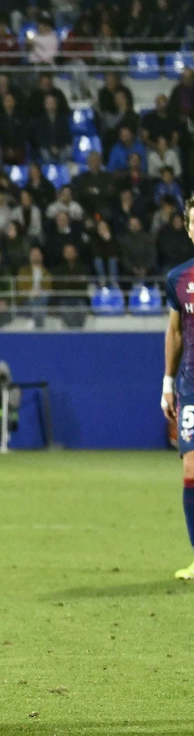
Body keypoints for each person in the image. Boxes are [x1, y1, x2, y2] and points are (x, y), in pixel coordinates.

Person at [160, 196, 194, 580]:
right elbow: (175, 332)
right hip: (192, 384)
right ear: (188, 229)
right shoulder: (178, 278)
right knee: (191, 468)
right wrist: (168, 383)